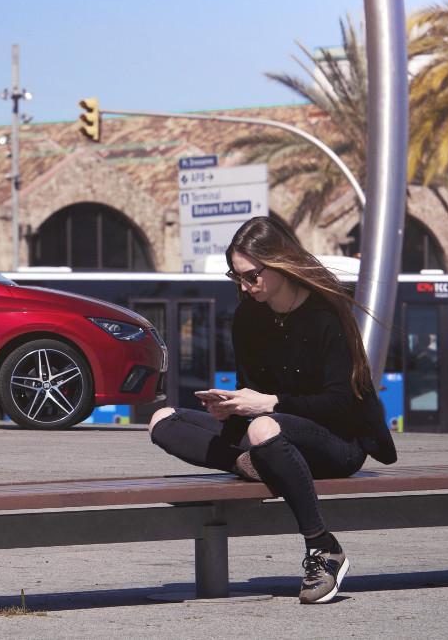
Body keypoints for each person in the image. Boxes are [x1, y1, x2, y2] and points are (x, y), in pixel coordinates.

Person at [147, 216, 397, 604]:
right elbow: (253, 391)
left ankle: (323, 547)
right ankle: (257, 461)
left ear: (278, 262)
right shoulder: (249, 316)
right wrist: (230, 410)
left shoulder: (326, 314)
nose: (246, 287)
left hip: (336, 441)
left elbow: (343, 403)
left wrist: (269, 406)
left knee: (263, 429)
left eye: (252, 276)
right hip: (268, 431)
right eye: (238, 278)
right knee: (163, 421)